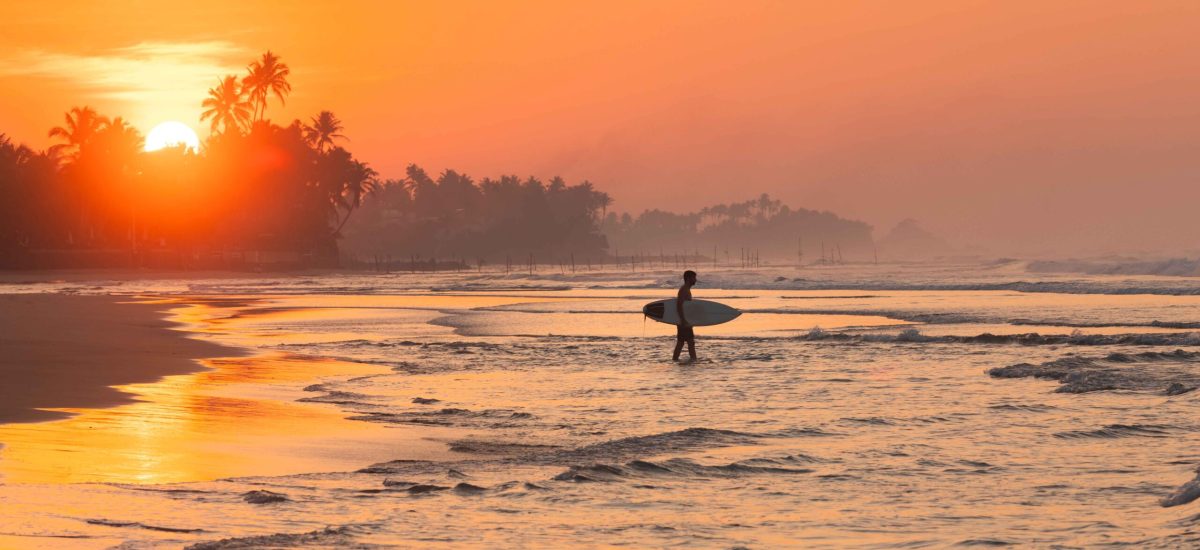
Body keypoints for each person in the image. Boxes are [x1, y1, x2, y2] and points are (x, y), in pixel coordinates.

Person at [673, 270, 698, 362]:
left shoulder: (686, 289)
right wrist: (683, 320)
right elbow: (679, 305)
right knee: (689, 342)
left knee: (681, 342)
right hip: (683, 320)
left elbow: (686, 307)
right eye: (694, 278)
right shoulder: (684, 290)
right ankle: (693, 360)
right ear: (688, 278)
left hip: (684, 320)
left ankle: (675, 359)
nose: (695, 280)